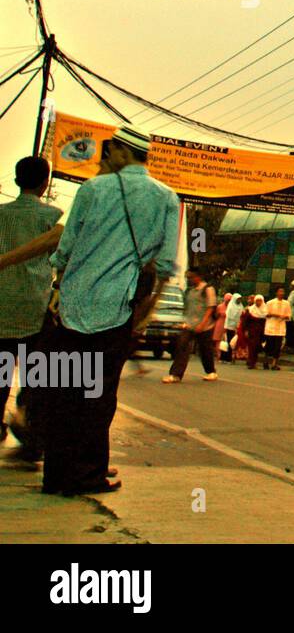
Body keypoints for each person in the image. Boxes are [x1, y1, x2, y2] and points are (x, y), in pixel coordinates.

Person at [44, 127, 180, 495]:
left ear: (121, 152)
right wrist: (146, 312)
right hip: (117, 309)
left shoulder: (92, 190)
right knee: (98, 396)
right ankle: (89, 473)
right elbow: (165, 264)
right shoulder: (168, 198)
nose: (105, 157)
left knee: (63, 389)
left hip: (72, 305)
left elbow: (67, 245)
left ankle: (57, 475)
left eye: (110, 150)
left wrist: (58, 281)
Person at [0, 156, 64, 462]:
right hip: (35, 306)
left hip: (2, 305)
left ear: (15, 181)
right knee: (35, 375)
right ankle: (30, 431)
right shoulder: (53, 217)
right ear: (45, 183)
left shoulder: (0, 215)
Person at [163, 267, 219, 383]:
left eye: (190, 277)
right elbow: (187, 308)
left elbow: (210, 308)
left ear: (198, 277)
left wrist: (202, 324)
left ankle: (211, 372)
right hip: (189, 325)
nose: (189, 280)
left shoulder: (208, 289)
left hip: (205, 326)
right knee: (182, 346)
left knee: (205, 350)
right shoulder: (189, 291)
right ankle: (175, 374)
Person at [262, 287, 292, 370]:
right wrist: (275, 315)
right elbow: (265, 314)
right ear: (276, 293)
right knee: (268, 346)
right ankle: (266, 361)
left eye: (283, 291)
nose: (282, 293)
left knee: (277, 347)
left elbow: (289, 316)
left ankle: (274, 364)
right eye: (280, 291)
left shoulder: (287, 303)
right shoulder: (270, 303)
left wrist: (284, 316)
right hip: (271, 328)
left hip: (280, 328)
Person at [243, 294, 267, 369]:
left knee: (257, 347)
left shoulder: (265, 310)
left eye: (260, 301)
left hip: (260, 332)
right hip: (252, 331)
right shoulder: (250, 310)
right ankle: (251, 363)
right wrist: (246, 330)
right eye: (257, 301)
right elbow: (245, 322)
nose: (258, 302)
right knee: (251, 347)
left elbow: (266, 322)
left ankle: (254, 362)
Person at [223, 293, 244, 362]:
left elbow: (242, 315)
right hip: (229, 326)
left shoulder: (241, 306)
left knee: (234, 342)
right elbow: (228, 316)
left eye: (240, 299)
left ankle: (233, 357)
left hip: (237, 327)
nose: (239, 300)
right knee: (229, 342)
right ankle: (227, 357)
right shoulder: (231, 306)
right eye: (238, 299)